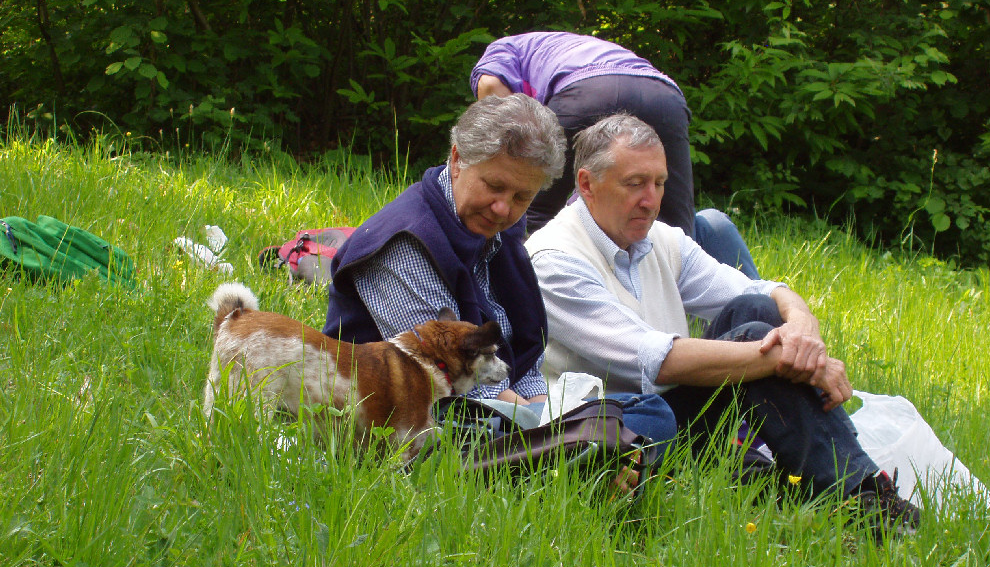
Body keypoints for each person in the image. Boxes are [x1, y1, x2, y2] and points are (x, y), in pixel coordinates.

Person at [524, 113, 920, 536]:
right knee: (759, 341)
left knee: (760, 314)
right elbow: (656, 360)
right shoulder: (555, 259)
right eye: (635, 183)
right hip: (617, 434)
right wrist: (782, 357)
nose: (651, 199)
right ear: (587, 184)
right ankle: (859, 497)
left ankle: (833, 489)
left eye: (659, 183)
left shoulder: (660, 238)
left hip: (673, 409)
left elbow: (760, 291)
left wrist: (805, 333)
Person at [322, 94, 677, 471]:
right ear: (457, 159)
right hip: (411, 422)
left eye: (522, 196)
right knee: (644, 415)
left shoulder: (495, 230)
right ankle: (590, 465)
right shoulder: (404, 242)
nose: (504, 208)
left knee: (644, 413)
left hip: (487, 412)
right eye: (494, 186)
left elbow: (525, 357)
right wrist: (550, 424)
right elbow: (451, 382)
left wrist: (543, 411)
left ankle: (590, 464)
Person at [471, 31, 759, 278]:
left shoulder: (500, 49)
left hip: (585, 90)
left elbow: (491, 90)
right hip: (662, 94)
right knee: (675, 231)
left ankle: (531, 300)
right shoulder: (567, 45)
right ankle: (702, 307)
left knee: (536, 218)